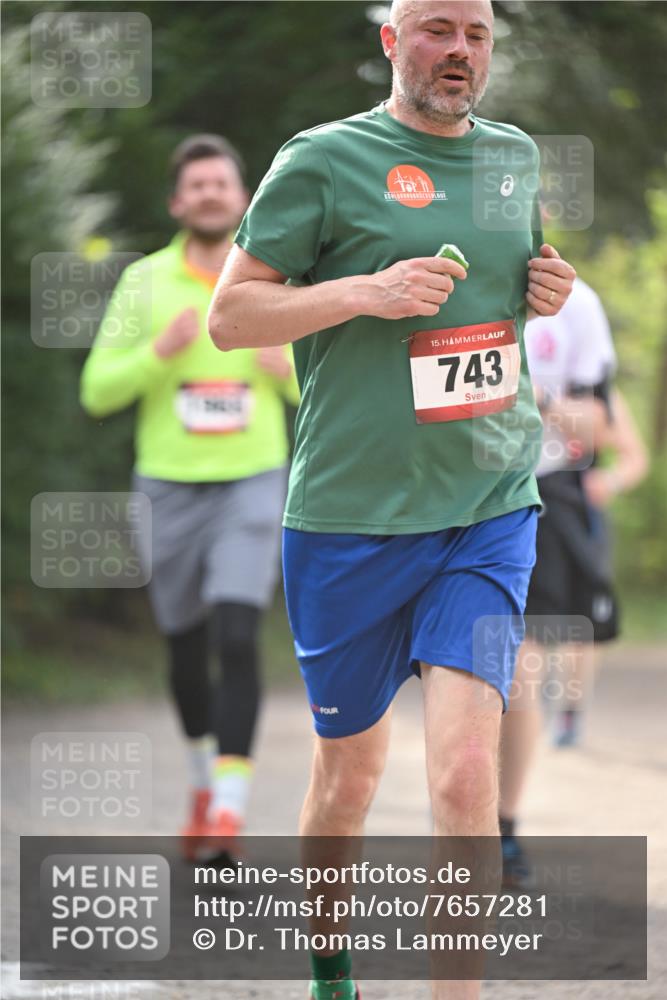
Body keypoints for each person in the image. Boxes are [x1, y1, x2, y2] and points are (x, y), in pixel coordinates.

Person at [208, 2, 576, 998]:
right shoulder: (321, 161)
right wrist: (359, 293)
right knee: (348, 779)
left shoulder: (512, 159)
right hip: (347, 520)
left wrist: (546, 287)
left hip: (487, 503)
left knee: (464, 774)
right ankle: (333, 968)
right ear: (391, 41)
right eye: (436, 30)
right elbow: (231, 316)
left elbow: (508, 297)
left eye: (475, 36)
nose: (457, 53)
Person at [80, 134, 299, 859]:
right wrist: (159, 353)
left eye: (221, 184)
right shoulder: (143, 282)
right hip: (169, 487)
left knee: (237, 633)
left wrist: (280, 368)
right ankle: (204, 781)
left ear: (244, 199)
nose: (209, 194)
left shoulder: (275, 283)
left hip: (253, 478)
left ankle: (228, 815)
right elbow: (96, 392)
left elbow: (320, 388)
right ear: (178, 202)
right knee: (184, 644)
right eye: (196, 185)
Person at [498, 279, 649, 883]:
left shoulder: (575, 303)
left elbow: (609, 437)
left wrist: (542, 401)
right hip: (438, 494)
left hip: (547, 499)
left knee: (521, 668)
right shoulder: (422, 272)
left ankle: (502, 828)